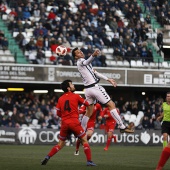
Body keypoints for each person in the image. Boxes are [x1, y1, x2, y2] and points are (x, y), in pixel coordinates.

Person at [72, 48, 134, 133]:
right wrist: (93, 55)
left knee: (88, 112)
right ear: (76, 57)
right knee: (111, 104)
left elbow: (95, 72)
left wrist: (108, 79)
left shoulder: (84, 64)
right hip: (94, 88)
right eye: (78, 53)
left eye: (80, 51)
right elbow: (86, 62)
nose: (80, 52)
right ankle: (122, 126)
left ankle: (81, 131)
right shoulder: (80, 61)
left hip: (87, 90)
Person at [41, 80, 96, 166]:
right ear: (68, 88)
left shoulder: (60, 98)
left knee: (60, 144)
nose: (73, 85)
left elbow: (58, 113)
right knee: (84, 140)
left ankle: (48, 156)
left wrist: (66, 115)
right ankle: (89, 161)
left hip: (64, 123)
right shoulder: (76, 96)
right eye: (72, 84)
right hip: (74, 122)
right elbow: (87, 104)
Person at [156, 92, 170, 170]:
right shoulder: (164, 104)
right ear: (166, 97)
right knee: (165, 136)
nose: (169, 97)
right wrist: (160, 117)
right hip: (165, 123)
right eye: (167, 96)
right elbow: (164, 112)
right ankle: (164, 150)